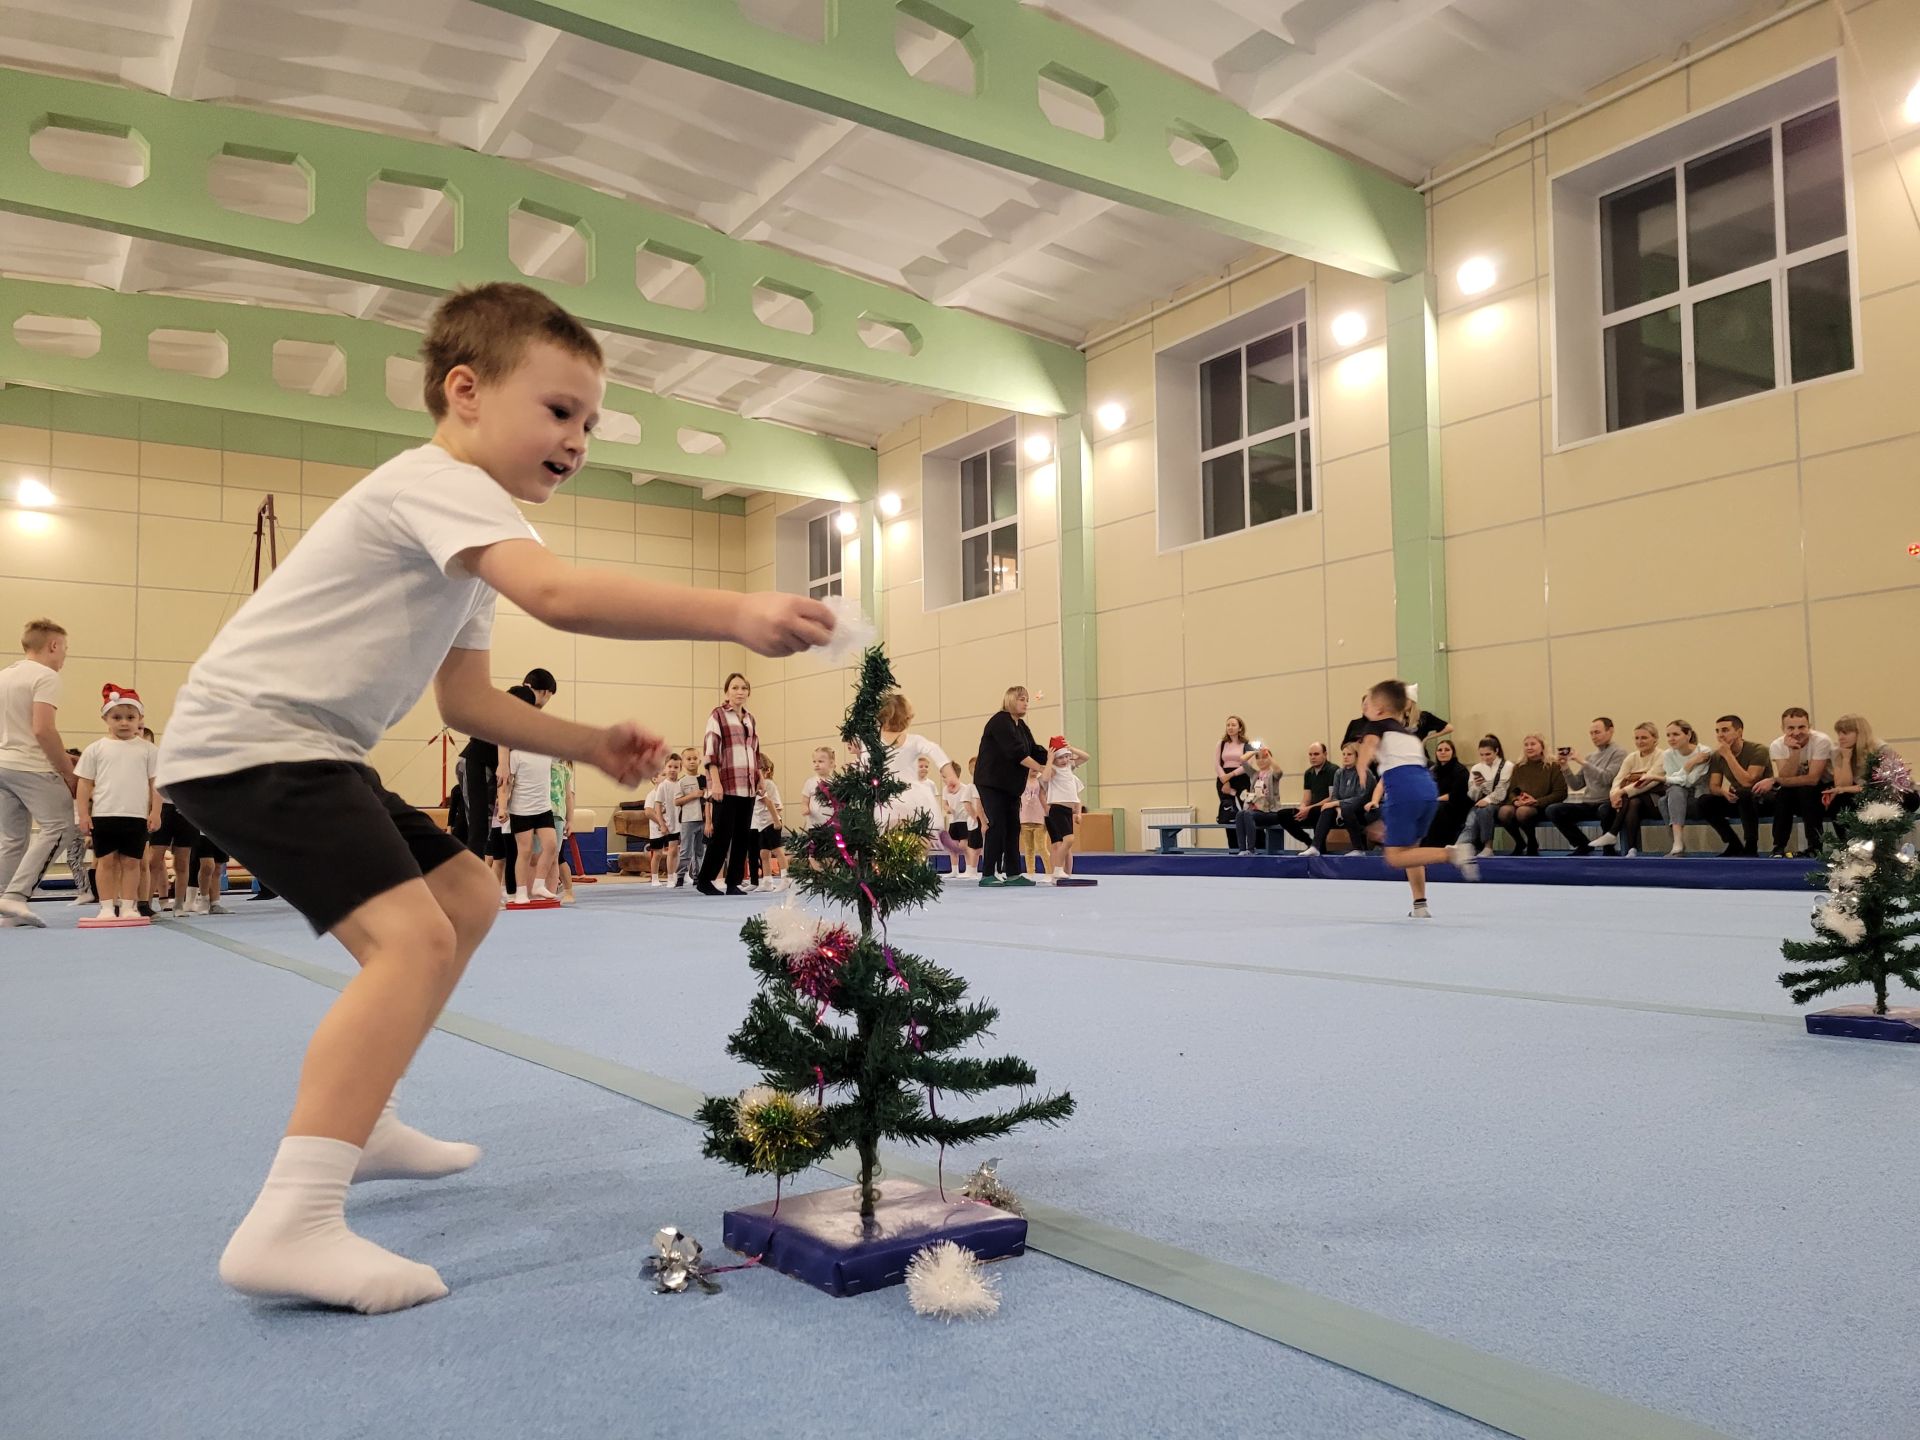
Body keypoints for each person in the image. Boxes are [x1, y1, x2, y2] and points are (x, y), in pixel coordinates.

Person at [156, 281, 832, 1315]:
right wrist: (735, 608)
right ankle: (289, 1220)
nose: (578, 440)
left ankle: (363, 1111)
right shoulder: (437, 482)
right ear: (464, 392)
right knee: (412, 942)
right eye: (559, 412)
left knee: (468, 896)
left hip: (312, 744)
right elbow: (559, 597)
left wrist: (589, 742)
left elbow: (465, 697)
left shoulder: (472, 533)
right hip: (254, 737)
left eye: (591, 424)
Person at [1352, 679, 1480, 917]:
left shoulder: (1376, 726)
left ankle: (1452, 853)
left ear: (1379, 709)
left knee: (1394, 857)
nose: (1363, 707)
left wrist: (1361, 765)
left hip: (1404, 791)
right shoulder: (1409, 735)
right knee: (1411, 850)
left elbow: (1369, 745)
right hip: (1427, 791)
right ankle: (1420, 905)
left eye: (1367, 702)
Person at [0, 617, 77, 928]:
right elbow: (42, 729)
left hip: (3, 763)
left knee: (12, 838)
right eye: (65, 650)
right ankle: (16, 896)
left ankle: (3, 897)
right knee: (60, 827)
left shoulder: (4, 675)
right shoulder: (45, 676)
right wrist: (67, 772)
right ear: (53, 645)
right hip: (31, 766)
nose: (64, 657)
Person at [74, 684, 160, 922]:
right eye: (117, 717)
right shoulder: (95, 749)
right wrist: (83, 814)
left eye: (130, 717)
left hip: (135, 815)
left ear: (140, 719)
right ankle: (106, 906)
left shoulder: (149, 750)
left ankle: (130, 905)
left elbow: (156, 784)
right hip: (104, 814)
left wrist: (156, 811)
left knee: (132, 862)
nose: (124, 722)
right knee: (106, 862)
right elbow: (84, 784)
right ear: (105, 718)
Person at [974, 685, 1048, 887]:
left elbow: (1034, 749)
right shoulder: (1000, 721)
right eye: (1021, 699)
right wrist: (1042, 768)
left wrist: (1056, 754)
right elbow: (1015, 752)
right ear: (1010, 700)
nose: (1025, 703)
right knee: (997, 825)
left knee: (1013, 827)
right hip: (992, 783)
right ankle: (988, 873)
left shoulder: (1021, 726)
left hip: (1010, 786)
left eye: (1027, 700)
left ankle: (1013, 873)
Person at [696, 673, 761, 896]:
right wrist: (715, 782)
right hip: (726, 784)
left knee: (743, 835)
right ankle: (705, 880)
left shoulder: (750, 718)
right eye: (735, 688)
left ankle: (733, 882)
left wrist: (759, 777)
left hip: (748, 785)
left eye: (744, 688)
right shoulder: (718, 716)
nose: (739, 692)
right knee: (722, 835)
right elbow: (710, 752)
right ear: (727, 692)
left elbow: (755, 751)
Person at [498, 686, 559, 904]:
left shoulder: (546, 752)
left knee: (551, 845)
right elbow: (504, 784)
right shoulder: (515, 755)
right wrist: (503, 807)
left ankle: (539, 884)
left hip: (543, 807)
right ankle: (521, 891)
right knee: (523, 852)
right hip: (521, 809)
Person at [1754, 707, 1832, 857]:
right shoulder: (1777, 745)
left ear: (1809, 726)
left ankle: (1815, 846)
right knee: (1783, 794)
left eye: (1801, 727)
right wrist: (1795, 752)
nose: (1796, 732)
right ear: (1783, 729)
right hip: (1797, 792)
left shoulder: (1821, 741)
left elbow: (1813, 779)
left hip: (1824, 789)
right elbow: (1786, 776)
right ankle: (1778, 846)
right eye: (1791, 728)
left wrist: (1776, 780)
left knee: (1806, 791)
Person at [1545, 718, 1625, 855]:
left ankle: (1609, 848)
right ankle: (1582, 844)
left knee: (1606, 810)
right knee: (1553, 810)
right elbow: (1576, 785)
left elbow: (1606, 778)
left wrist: (1583, 762)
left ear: (1610, 731)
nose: (1594, 736)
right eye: (1591, 733)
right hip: (1588, 803)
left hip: (1607, 802)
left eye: (1597, 732)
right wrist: (1565, 767)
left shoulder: (1619, 753)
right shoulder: (1590, 757)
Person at [1828, 714, 1916, 835]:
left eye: (1845, 733)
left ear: (1859, 733)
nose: (1840, 738)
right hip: (1863, 793)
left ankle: (1881, 846)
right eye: (1838, 733)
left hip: (1895, 793)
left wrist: (1843, 789)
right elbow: (1842, 785)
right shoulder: (1838, 752)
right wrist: (1846, 759)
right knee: (1838, 802)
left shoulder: (1880, 749)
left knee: (1879, 803)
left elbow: (1880, 786)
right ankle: (1847, 845)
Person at [1698, 714, 1770, 856]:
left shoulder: (1758, 750)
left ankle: (1751, 846)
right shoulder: (1718, 756)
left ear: (1739, 732)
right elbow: (1714, 786)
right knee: (1704, 801)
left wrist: (1729, 756)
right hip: (1739, 799)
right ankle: (1734, 843)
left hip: (1762, 799)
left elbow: (1748, 781)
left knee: (1744, 793)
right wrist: (1724, 792)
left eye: (1725, 730)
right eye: (1717, 731)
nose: (1720, 735)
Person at [1499, 735, 1566, 855]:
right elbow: (1513, 790)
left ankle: (1532, 842)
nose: (1529, 747)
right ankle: (1519, 842)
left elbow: (1560, 793)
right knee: (1504, 812)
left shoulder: (1553, 766)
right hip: (1522, 803)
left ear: (1542, 747)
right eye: (1526, 745)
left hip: (1542, 805)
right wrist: (1515, 800)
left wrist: (1536, 801)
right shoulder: (1519, 767)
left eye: (1533, 744)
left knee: (1522, 812)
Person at [1608, 723, 1666, 856]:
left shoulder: (1662, 756)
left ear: (1655, 739)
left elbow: (1647, 782)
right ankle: (1628, 848)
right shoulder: (1631, 757)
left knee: (1632, 800)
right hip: (1634, 803)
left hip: (1655, 802)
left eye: (1644, 738)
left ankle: (1613, 834)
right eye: (1637, 738)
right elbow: (1618, 779)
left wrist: (1621, 792)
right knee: (1614, 807)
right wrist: (1614, 795)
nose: (1640, 741)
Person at [1658, 720, 1710, 856]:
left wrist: (1676, 777)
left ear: (1688, 735)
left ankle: (1677, 844)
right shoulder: (1667, 754)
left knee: (1668, 797)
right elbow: (1672, 780)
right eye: (1668, 735)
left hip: (1698, 798)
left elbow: (1690, 780)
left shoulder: (1703, 751)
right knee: (1667, 797)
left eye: (1676, 734)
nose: (1671, 739)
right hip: (1677, 797)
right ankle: (1678, 843)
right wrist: (1690, 764)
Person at [1313, 742, 1373, 854]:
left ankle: (1358, 848)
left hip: (1361, 810)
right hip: (1342, 809)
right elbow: (1335, 795)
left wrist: (1338, 804)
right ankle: (1315, 847)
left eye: (1349, 754)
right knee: (1327, 809)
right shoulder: (1339, 773)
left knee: (1343, 808)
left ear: (1357, 756)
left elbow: (1361, 798)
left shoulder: (1365, 773)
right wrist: (1338, 808)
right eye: (1343, 754)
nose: (1345, 757)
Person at [1043, 739, 1090, 879]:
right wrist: (1050, 760)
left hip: (1067, 811)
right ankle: (1057, 869)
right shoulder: (1053, 770)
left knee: (1068, 842)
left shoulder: (1070, 767)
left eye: (1066, 756)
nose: (1064, 760)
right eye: (1060, 758)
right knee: (1068, 840)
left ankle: (1059, 870)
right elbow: (1045, 778)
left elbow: (1086, 757)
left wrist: (1072, 748)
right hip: (1057, 809)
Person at [1232, 743, 1289, 854]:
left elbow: (1279, 771)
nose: (1261, 761)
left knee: (1248, 814)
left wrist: (1268, 754)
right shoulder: (1254, 774)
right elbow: (1242, 760)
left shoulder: (1272, 774)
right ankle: (1242, 849)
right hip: (1256, 811)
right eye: (1258, 758)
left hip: (1271, 812)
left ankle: (1251, 849)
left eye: (1264, 758)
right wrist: (1254, 751)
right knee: (1240, 814)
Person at [1284, 743, 1339, 853]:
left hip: (1327, 810)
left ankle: (1319, 848)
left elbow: (1332, 797)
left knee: (1318, 811)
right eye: (1310, 754)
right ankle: (1310, 843)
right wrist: (1302, 808)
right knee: (1283, 815)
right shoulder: (1308, 773)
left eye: (1316, 754)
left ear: (1325, 754)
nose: (1313, 757)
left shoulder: (1333, 770)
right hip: (1311, 809)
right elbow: (1306, 798)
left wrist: (1309, 808)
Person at [1461, 735, 1511, 856]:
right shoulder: (1476, 768)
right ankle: (1463, 845)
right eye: (1481, 755)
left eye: (1488, 754)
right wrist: (1477, 787)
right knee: (1470, 820)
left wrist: (1487, 800)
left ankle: (1487, 846)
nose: (1484, 758)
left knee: (1483, 810)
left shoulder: (1507, 766)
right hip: (1480, 802)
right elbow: (1472, 796)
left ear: (1496, 751)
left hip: (1501, 802)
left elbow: (1502, 791)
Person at [1423, 738, 1473, 847]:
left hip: (1457, 805)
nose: (1443, 752)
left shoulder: (1460, 770)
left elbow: (1456, 795)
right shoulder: (1433, 770)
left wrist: (1434, 800)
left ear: (1453, 752)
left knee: (1438, 808)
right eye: (1440, 750)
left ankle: (1437, 844)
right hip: (1437, 802)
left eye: (1447, 750)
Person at [938, 761, 984, 877]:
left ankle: (970, 868)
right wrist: (948, 808)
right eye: (943, 777)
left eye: (945, 776)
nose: (943, 779)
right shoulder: (945, 790)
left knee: (964, 846)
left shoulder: (964, 788)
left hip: (964, 820)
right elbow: (944, 804)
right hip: (953, 821)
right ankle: (954, 870)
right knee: (952, 847)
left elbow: (969, 802)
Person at [643, 753, 682, 886]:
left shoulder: (679, 784)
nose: (671, 770)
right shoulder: (654, 792)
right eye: (668, 767)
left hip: (673, 824)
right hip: (658, 827)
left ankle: (674, 874)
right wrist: (661, 823)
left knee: (674, 850)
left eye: (675, 767)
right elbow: (649, 811)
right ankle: (654, 877)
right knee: (658, 853)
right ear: (654, 779)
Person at [674, 744, 708, 887]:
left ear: (700, 761)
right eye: (689, 759)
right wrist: (693, 795)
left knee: (700, 850)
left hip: (703, 819)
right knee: (686, 850)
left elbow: (709, 799)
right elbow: (677, 801)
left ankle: (698, 875)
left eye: (695, 758)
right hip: (688, 819)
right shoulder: (681, 782)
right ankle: (680, 875)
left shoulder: (705, 779)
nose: (692, 761)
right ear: (683, 762)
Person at [750, 753, 785, 891]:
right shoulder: (758, 786)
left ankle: (786, 877)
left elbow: (770, 804)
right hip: (762, 824)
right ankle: (767, 880)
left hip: (771, 822)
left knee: (777, 850)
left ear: (766, 771)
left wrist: (776, 821)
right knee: (763, 853)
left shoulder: (768, 784)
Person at [549, 756, 576, 903]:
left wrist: (570, 820)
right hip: (541, 814)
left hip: (558, 816)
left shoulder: (564, 770)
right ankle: (551, 886)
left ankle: (569, 891)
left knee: (559, 857)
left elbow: (569, 797)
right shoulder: (540, 766)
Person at [1214, 715, 1250, 824]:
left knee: (1244, 810)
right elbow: (1217, 764)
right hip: (1223, 778)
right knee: (1228, 813)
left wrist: (1231, 775)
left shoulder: (1246, 745)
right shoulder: (1221, 743)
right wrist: (1225, 780)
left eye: (1233, 725)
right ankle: (1232, 841)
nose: (1230, 727)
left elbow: (1246, 766)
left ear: (1240, 728)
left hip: (1241, 779)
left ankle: (1247, 840)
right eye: (1228, 725)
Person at [1017, 765, 1050, 877]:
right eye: (1031, 767)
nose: (1034, 770)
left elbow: (1046, 798)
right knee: (1028, 848)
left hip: (1039, 819)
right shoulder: (1020, 781)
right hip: (1024, 819)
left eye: (1036, 768)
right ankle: (1030, 872)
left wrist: (1047, 816)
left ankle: (1049, 871)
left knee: (1042, 847)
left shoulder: (1041, 781)